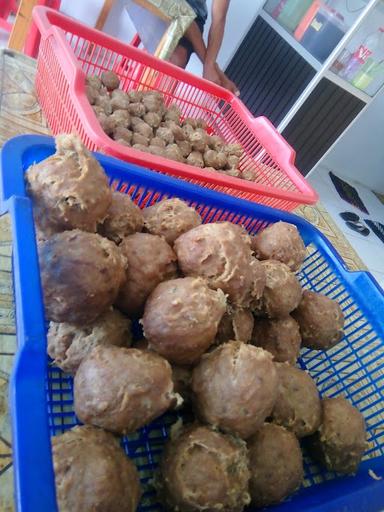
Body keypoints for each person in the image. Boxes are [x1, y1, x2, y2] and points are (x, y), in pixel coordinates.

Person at [170, 0, 239, 95]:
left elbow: (219, 18)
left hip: (194, 13)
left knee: (177, 59)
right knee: (181, 11)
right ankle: (217, 71)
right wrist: (210, 67)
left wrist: (209, 65)